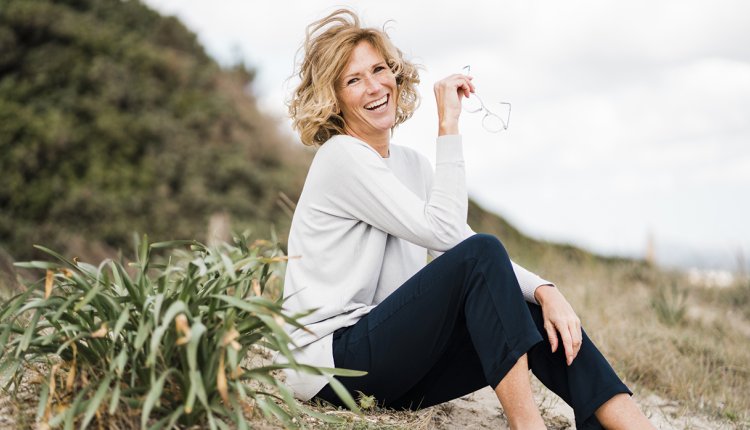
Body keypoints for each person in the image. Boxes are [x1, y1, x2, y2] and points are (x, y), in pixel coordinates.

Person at [279, 8, 655, 429]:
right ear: (335, 97)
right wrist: (448, 125)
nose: (374, 86)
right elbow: (459, 242)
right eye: (353, 80)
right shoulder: (341, 157)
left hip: (388, 366)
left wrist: (547, 291)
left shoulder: (412, 165)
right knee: (485, 255)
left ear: (395, 74)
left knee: (528, 311)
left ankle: (633, 424)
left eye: (379, 69)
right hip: (331, 367)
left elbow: (461, 242)